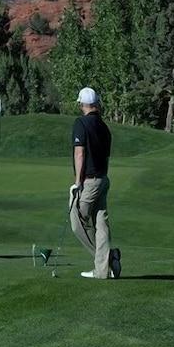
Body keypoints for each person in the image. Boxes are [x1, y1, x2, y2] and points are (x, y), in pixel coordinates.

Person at [68, 87, 122, 279]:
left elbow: (79, 153)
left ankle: (107, 259)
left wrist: (77, 183)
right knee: (101, 223)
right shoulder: (104, 127)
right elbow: (106, 157)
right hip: (103, 179)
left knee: (77, 220)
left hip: (89, 182)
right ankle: (102, 270)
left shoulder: (80, 123)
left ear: (82, 104)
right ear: (96, 104)